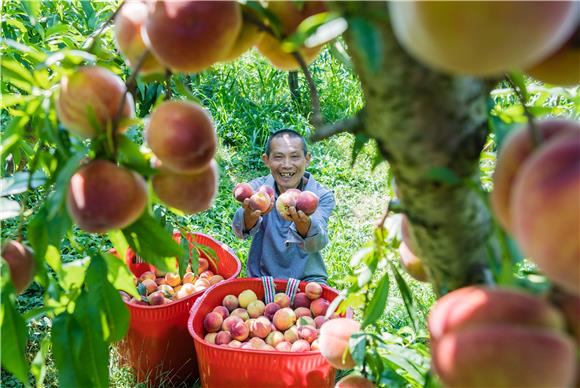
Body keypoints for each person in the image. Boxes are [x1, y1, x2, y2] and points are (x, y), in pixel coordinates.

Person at [232, 129, 336, 283]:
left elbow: (317, 243)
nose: (286, 165)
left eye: (294, 157)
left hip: (307, 281)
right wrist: (249, 215)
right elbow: (240, 232)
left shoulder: (320, 196)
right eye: (278, 157)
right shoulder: (258, 190)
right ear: (266, 160)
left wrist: (304, 225)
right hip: (262, 279)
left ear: (307, 159)